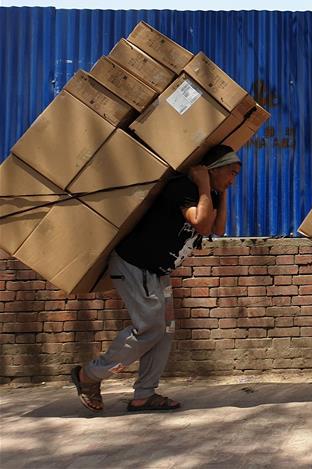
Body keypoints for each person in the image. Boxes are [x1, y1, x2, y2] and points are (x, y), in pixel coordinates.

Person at [71, 145, 242, 413]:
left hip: (158, 271)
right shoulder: (183, 188)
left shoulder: (211, 195)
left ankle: (144, 395)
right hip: (135, 265)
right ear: (214, 169)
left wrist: (221, 191)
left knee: (165, 331)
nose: (233, 179)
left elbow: (217, 229)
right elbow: (202, 224)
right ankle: (88, 376)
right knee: (150, 328)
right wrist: (205, 186)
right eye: (231, 173)